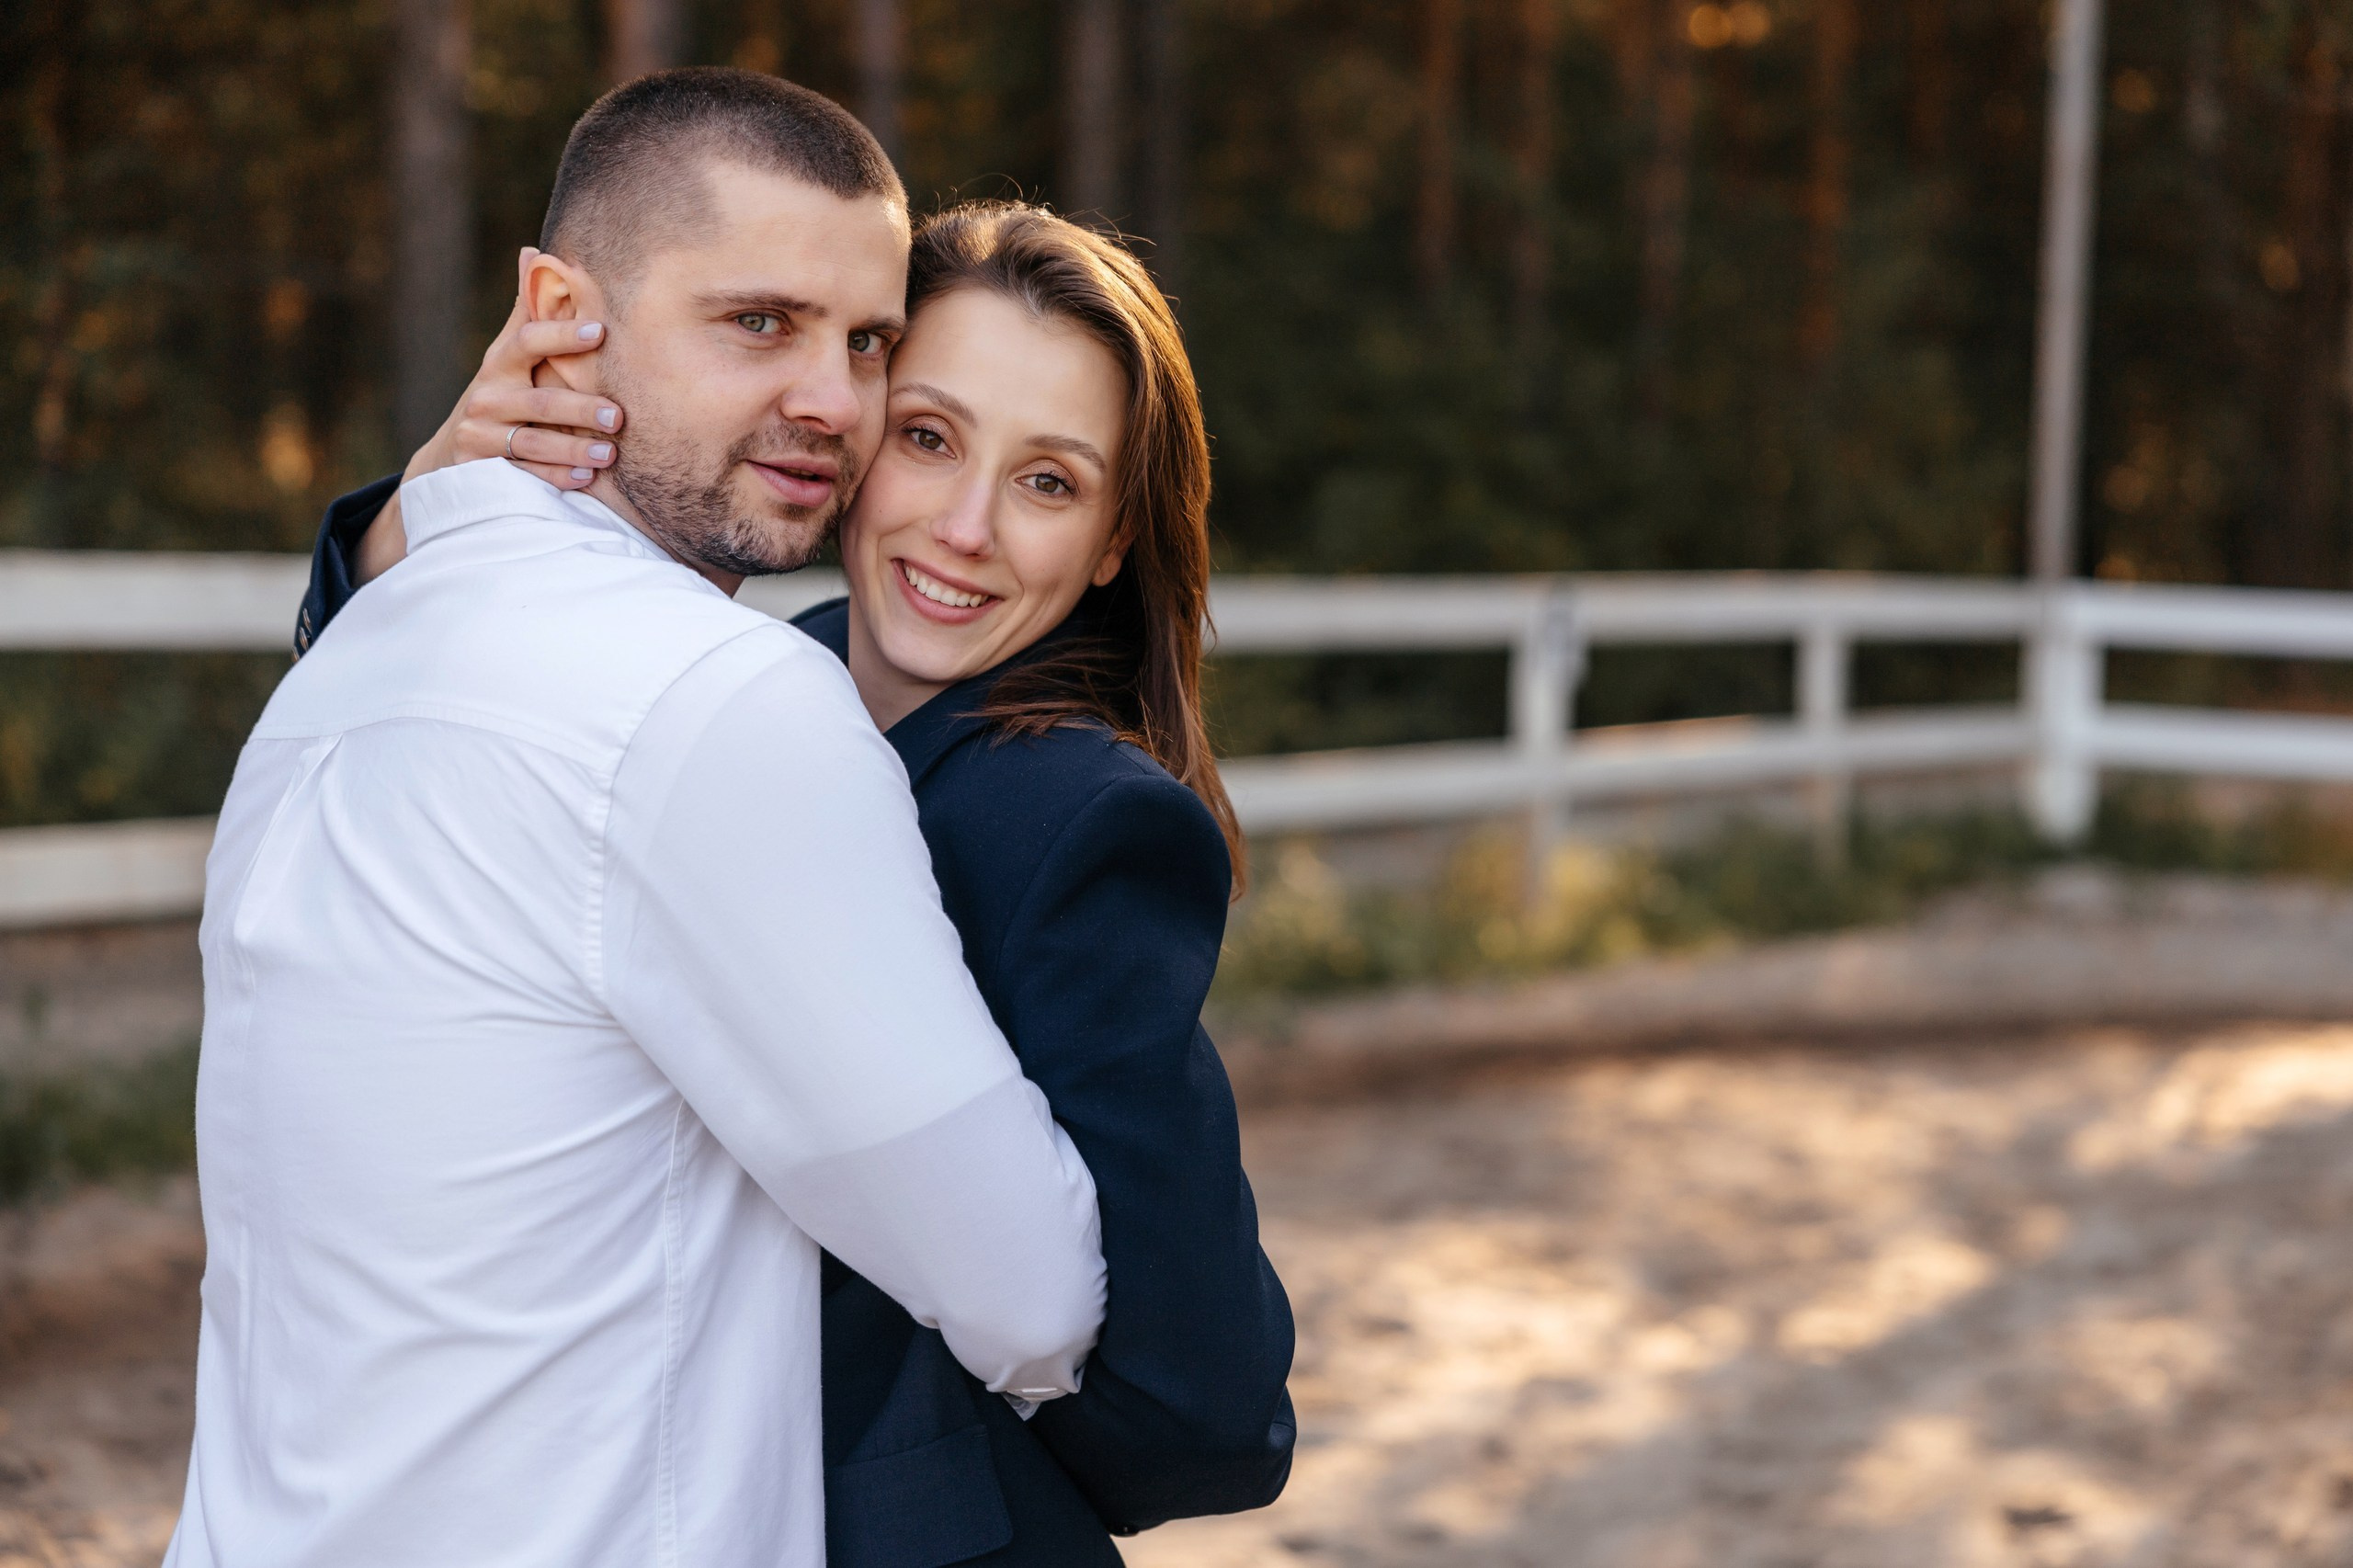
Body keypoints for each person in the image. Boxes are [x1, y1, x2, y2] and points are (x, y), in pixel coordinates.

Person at [169, 73, 1109, 1568]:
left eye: (866, 342)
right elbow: (1032, 1290)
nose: (831, 403)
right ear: (558, 305)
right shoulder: (715, 694)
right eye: (758, 323)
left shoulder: (348, 660)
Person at [298, 202, 1297, 1563]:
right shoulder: (741, 688)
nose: (965, 528)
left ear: (1116, 541)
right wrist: (418, 516)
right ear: (856, 426)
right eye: (931, 437)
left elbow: (1201, 1398)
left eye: (1049, 483)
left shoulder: (1075, 819)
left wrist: (909, 1446)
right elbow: (484, 720)